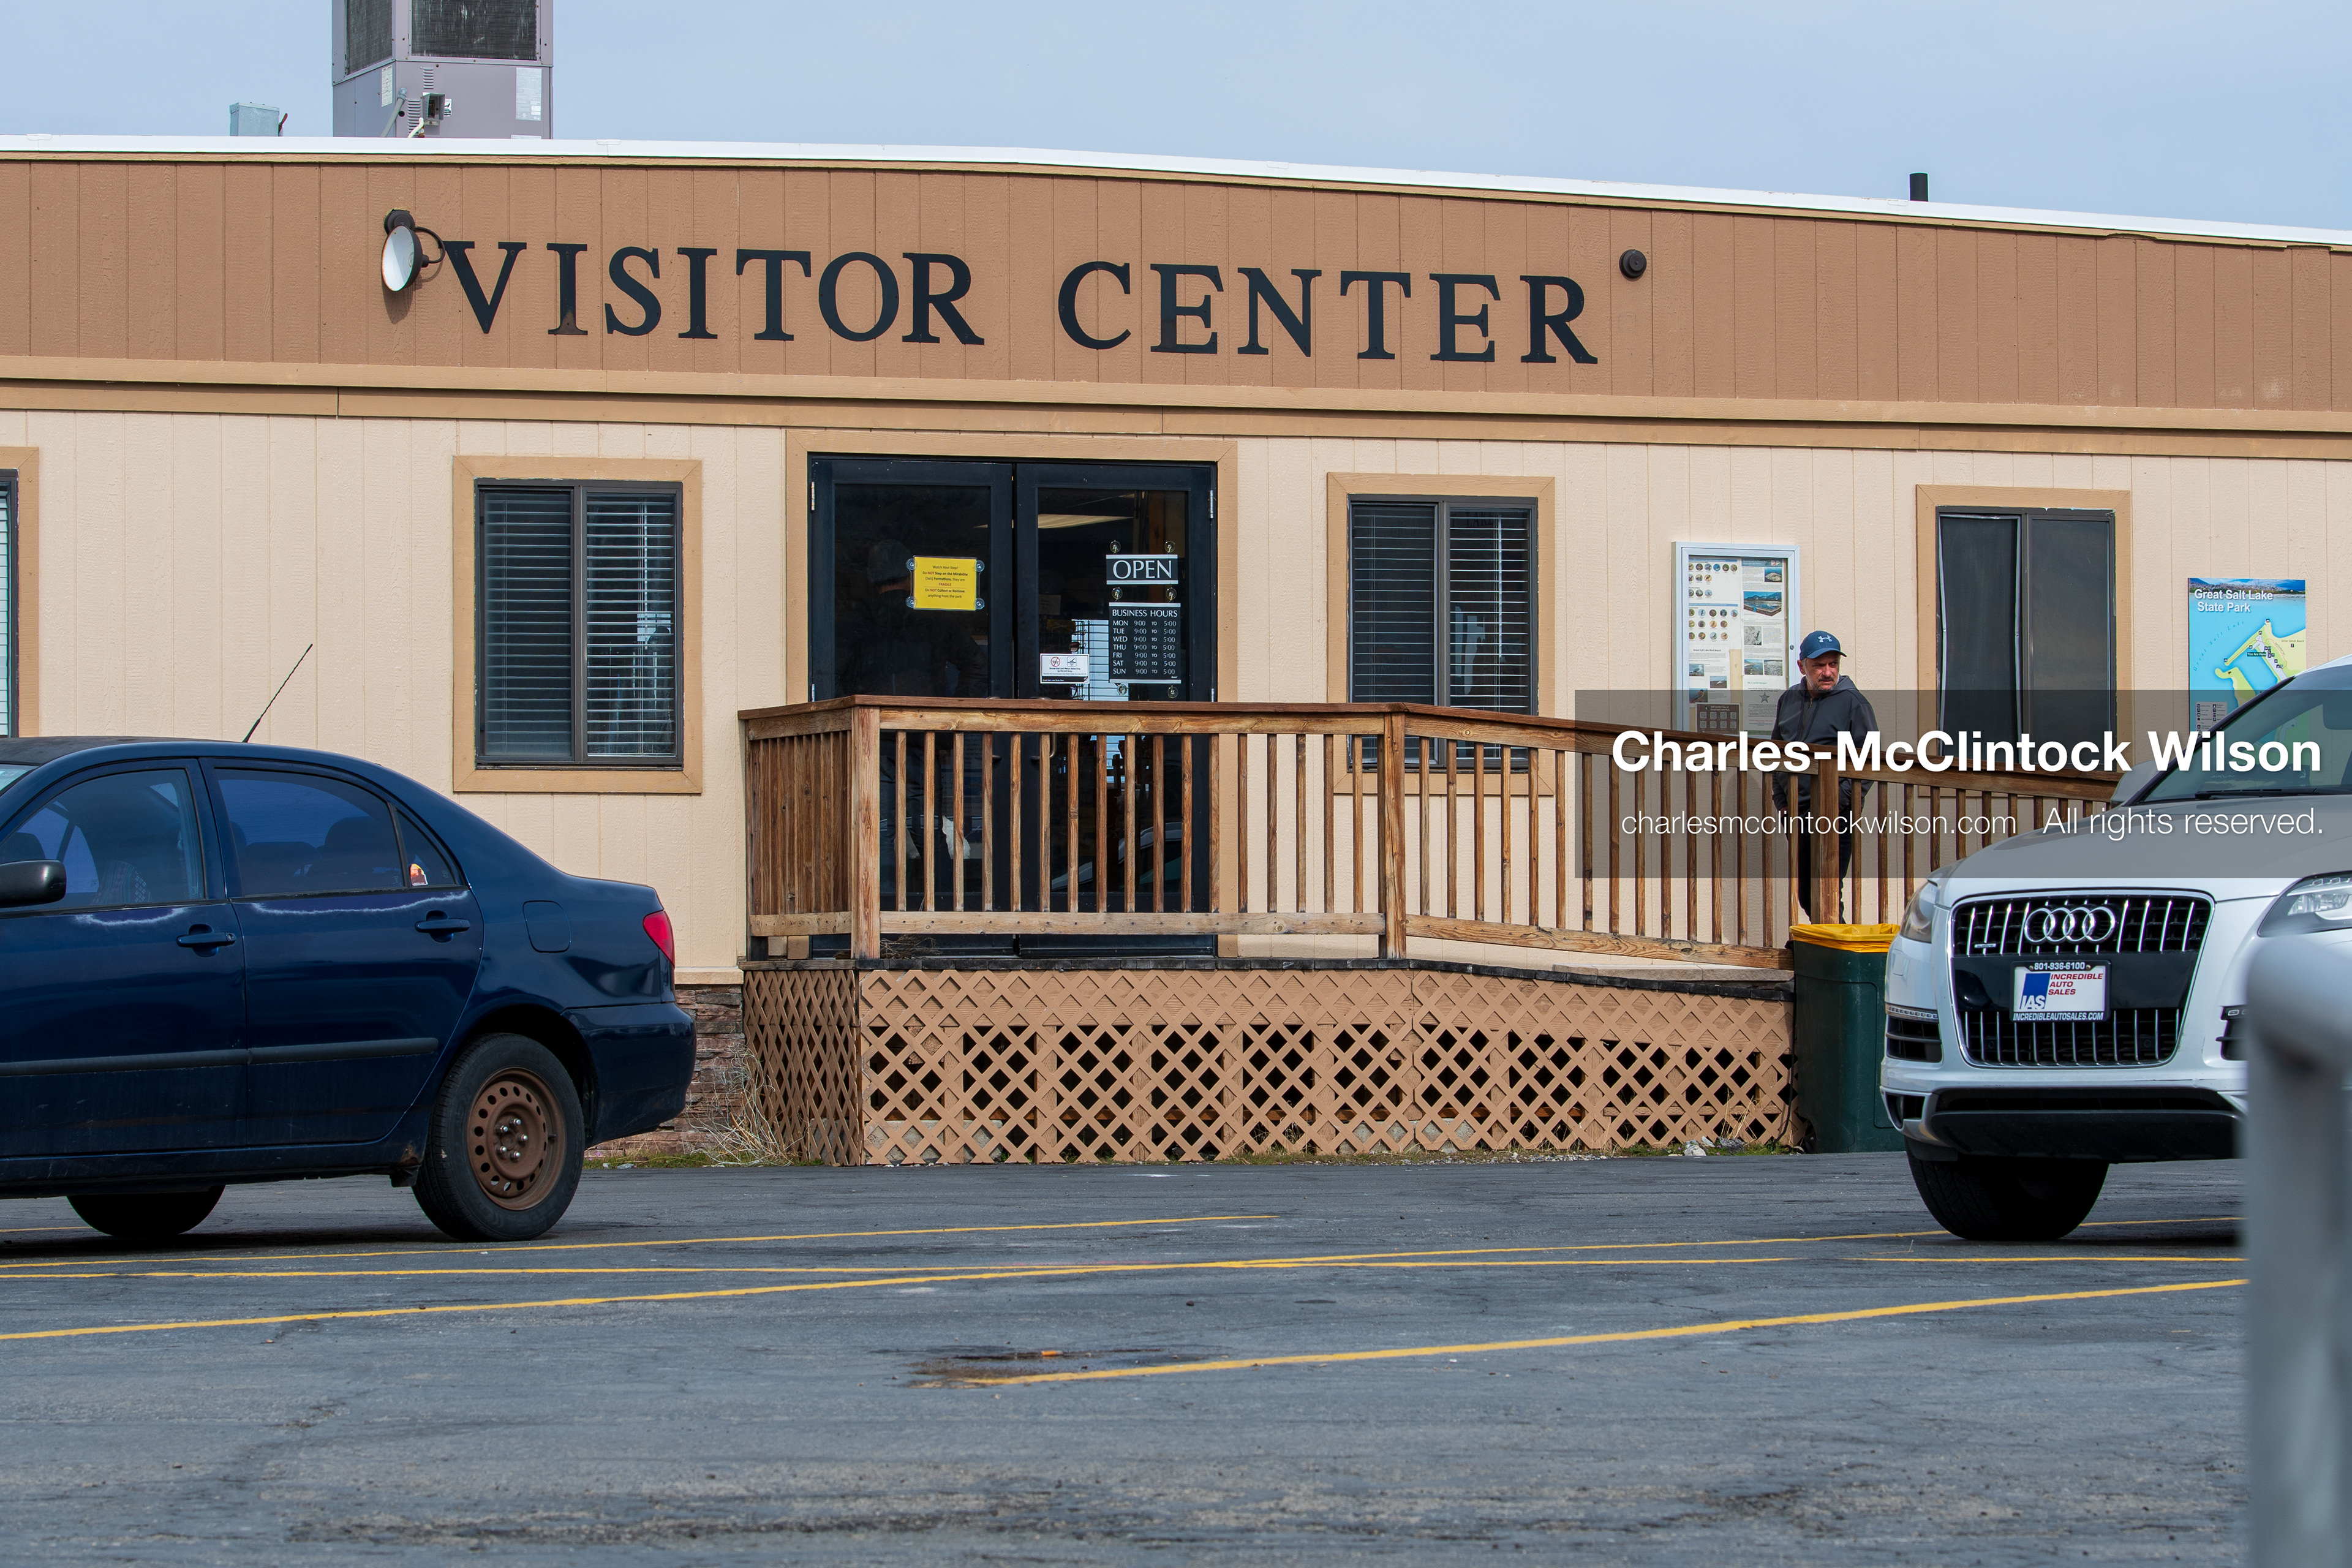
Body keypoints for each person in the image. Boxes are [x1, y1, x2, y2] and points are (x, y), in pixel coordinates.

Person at [1771, 630, 1877, 921]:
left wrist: (1836, 802)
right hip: (1797, 813)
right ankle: (1828, 954)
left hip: (1836, 816)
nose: (1828, 672)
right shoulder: (1789, 700)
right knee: (1807, 894)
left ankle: (1835, 960)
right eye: (1819, 665)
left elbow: (1867, 761)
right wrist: (1782, 800)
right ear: (1802, 666)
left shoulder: (1854, 703)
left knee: (1827, 891)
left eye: (1833, 664)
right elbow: (1774, 753)